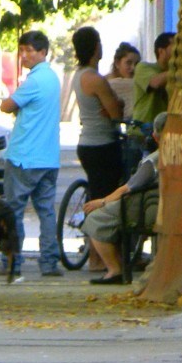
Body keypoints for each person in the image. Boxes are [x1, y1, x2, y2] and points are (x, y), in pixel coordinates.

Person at [0, 30, 62, 278]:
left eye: (29, 50)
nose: (23, 55)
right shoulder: (52, 79)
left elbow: (6, 106)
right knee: (46, 211)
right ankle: (49, 262)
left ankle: (13, 261)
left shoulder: (34, 81)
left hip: (24, 156)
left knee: (13, 210)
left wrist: (13, 95)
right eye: (21, 50)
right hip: (49, 157)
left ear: (43, 52)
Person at [81, 111, 168, 285]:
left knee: (94, 218)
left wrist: (103, 201)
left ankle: (115, 270)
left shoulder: (153, 161)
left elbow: (128, 188)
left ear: (155, 136)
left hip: (144, 208)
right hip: (155, 204)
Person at [71, 27, 124, 264]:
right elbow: (115, 112)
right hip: (102, 144)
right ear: (94, 48)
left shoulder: (79, 75)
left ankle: (95, 255)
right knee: (105, 201)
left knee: (96, 194)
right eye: (99, 42)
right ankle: (98, 257)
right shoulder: (95, 79)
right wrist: (117, 103)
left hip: (86, 143)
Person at [131, 32, 175, 124]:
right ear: (161, 51)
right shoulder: (143, 67)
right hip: (141, 134)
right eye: (174, 46)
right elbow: (155, 83)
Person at [105, 41, 141, 122]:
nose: (133, 68)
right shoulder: (105, 83)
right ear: (117, 63)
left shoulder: (138, 82)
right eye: (128, 63)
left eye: (137, 64)